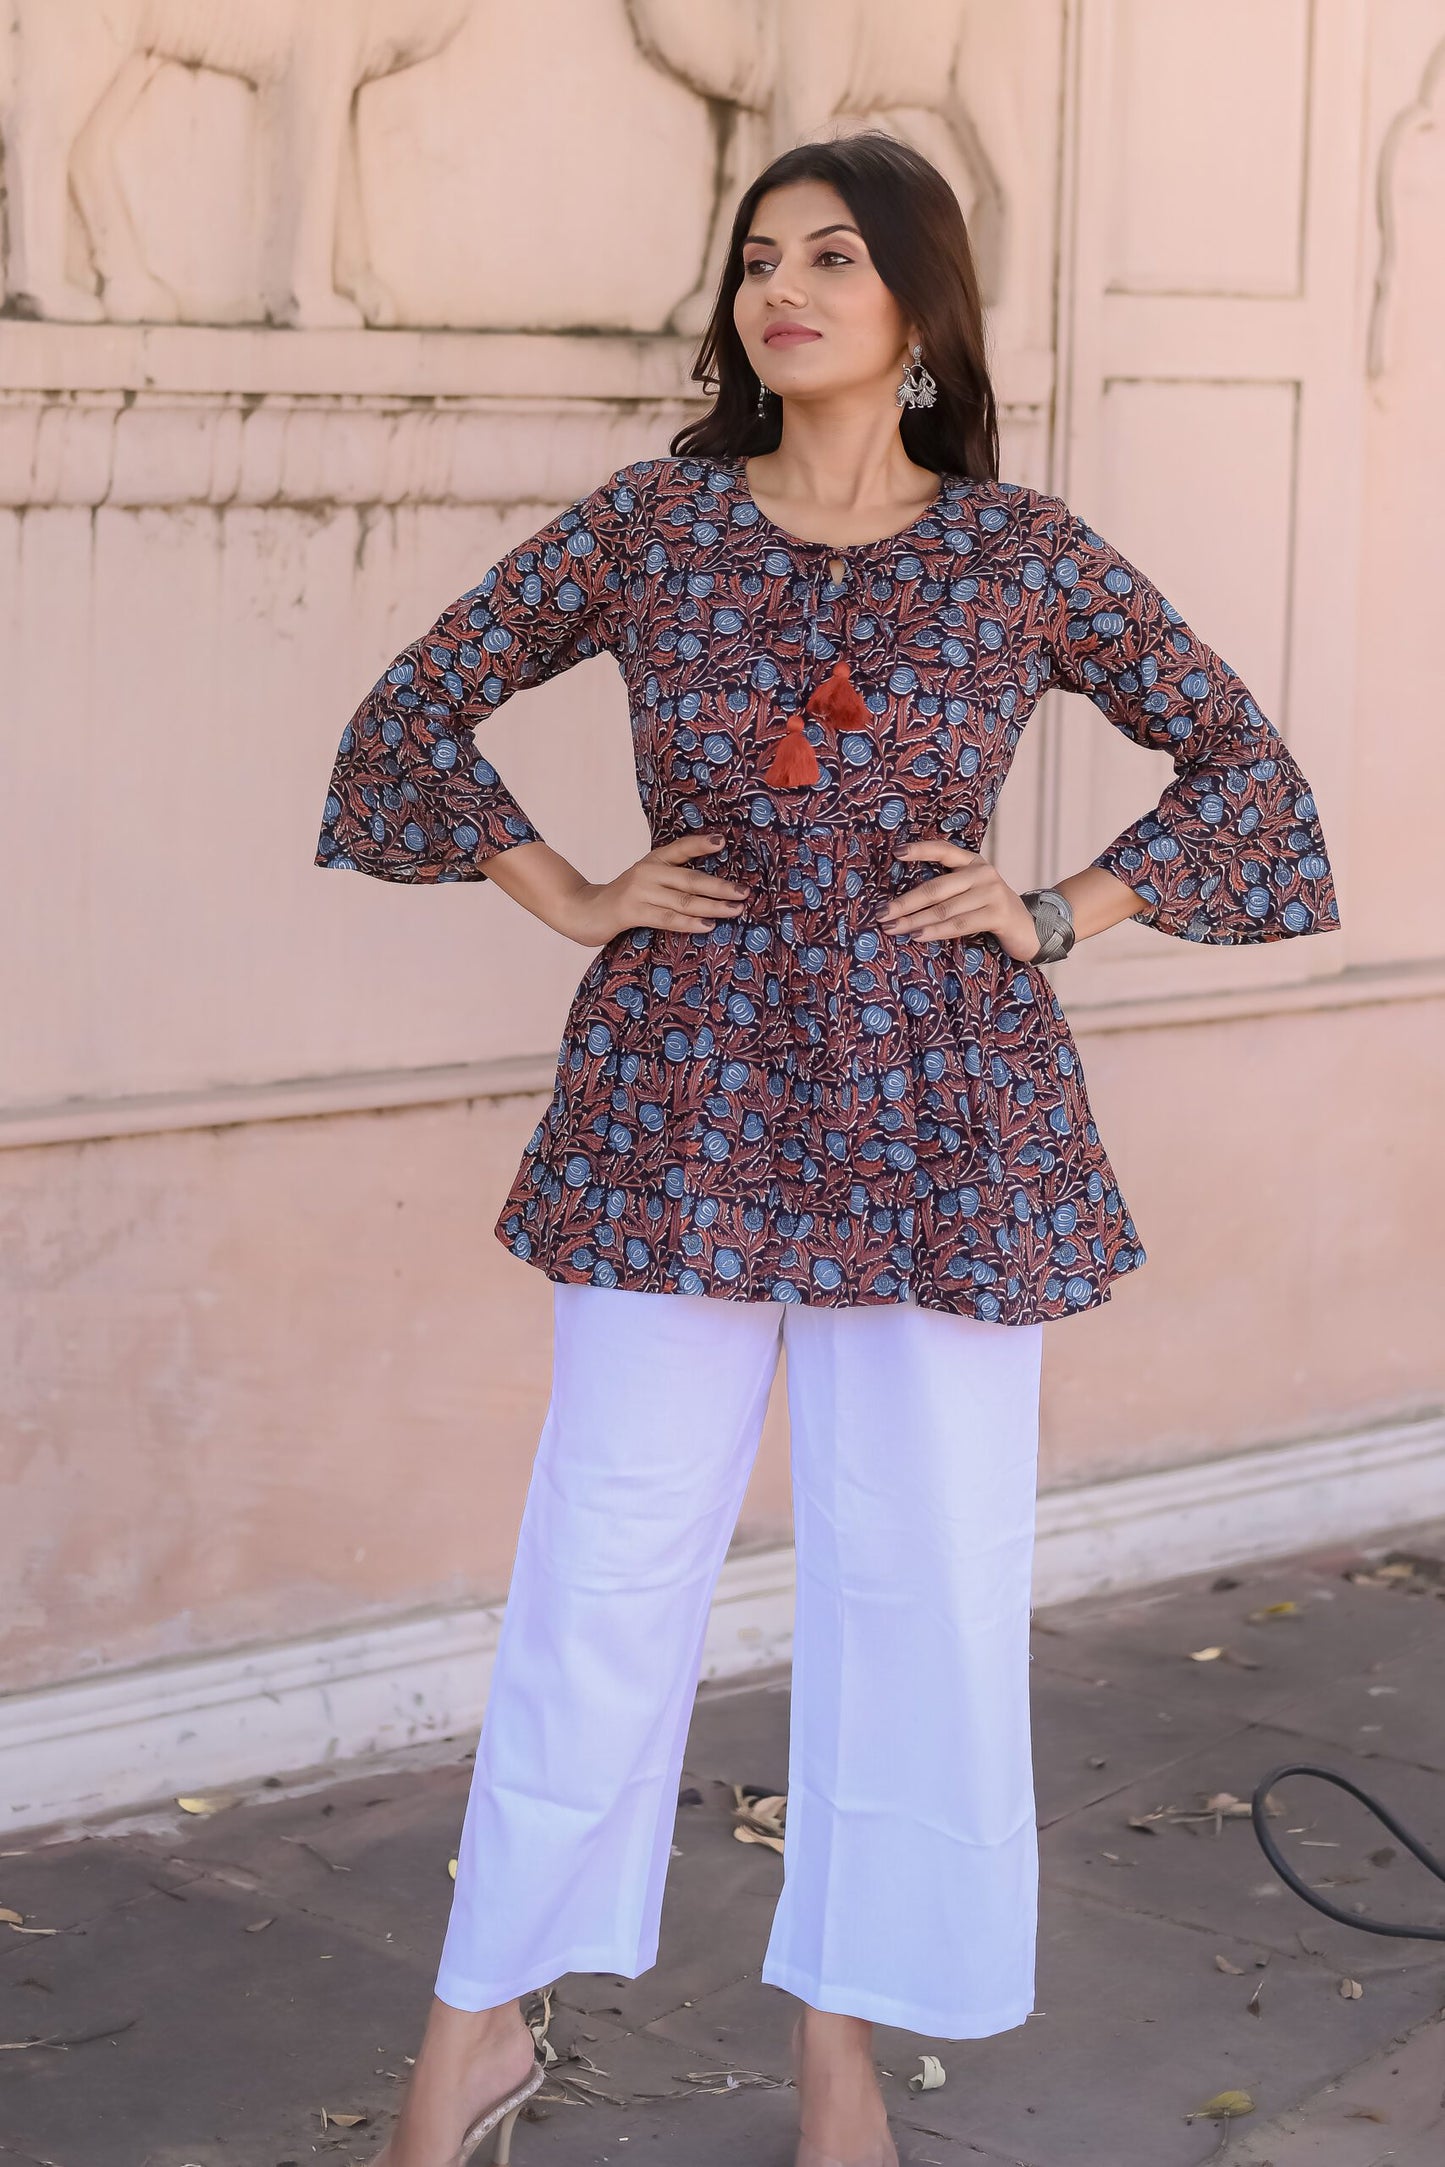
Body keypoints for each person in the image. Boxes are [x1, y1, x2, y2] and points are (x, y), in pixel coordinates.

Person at [314, 132, 1338, 2167]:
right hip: (678, 1104)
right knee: (601, 1573)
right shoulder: (655, 525)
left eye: (832, 257)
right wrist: (568, 891)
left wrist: (1058, 912)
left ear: (920, 308)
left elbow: (1247, 772)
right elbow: (410, 716)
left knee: (920, 1590)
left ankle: (841, 2063)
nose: (779, 289)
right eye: (757, 257)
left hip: (942, 1116)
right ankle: (471, 2030)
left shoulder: (1020, 552)